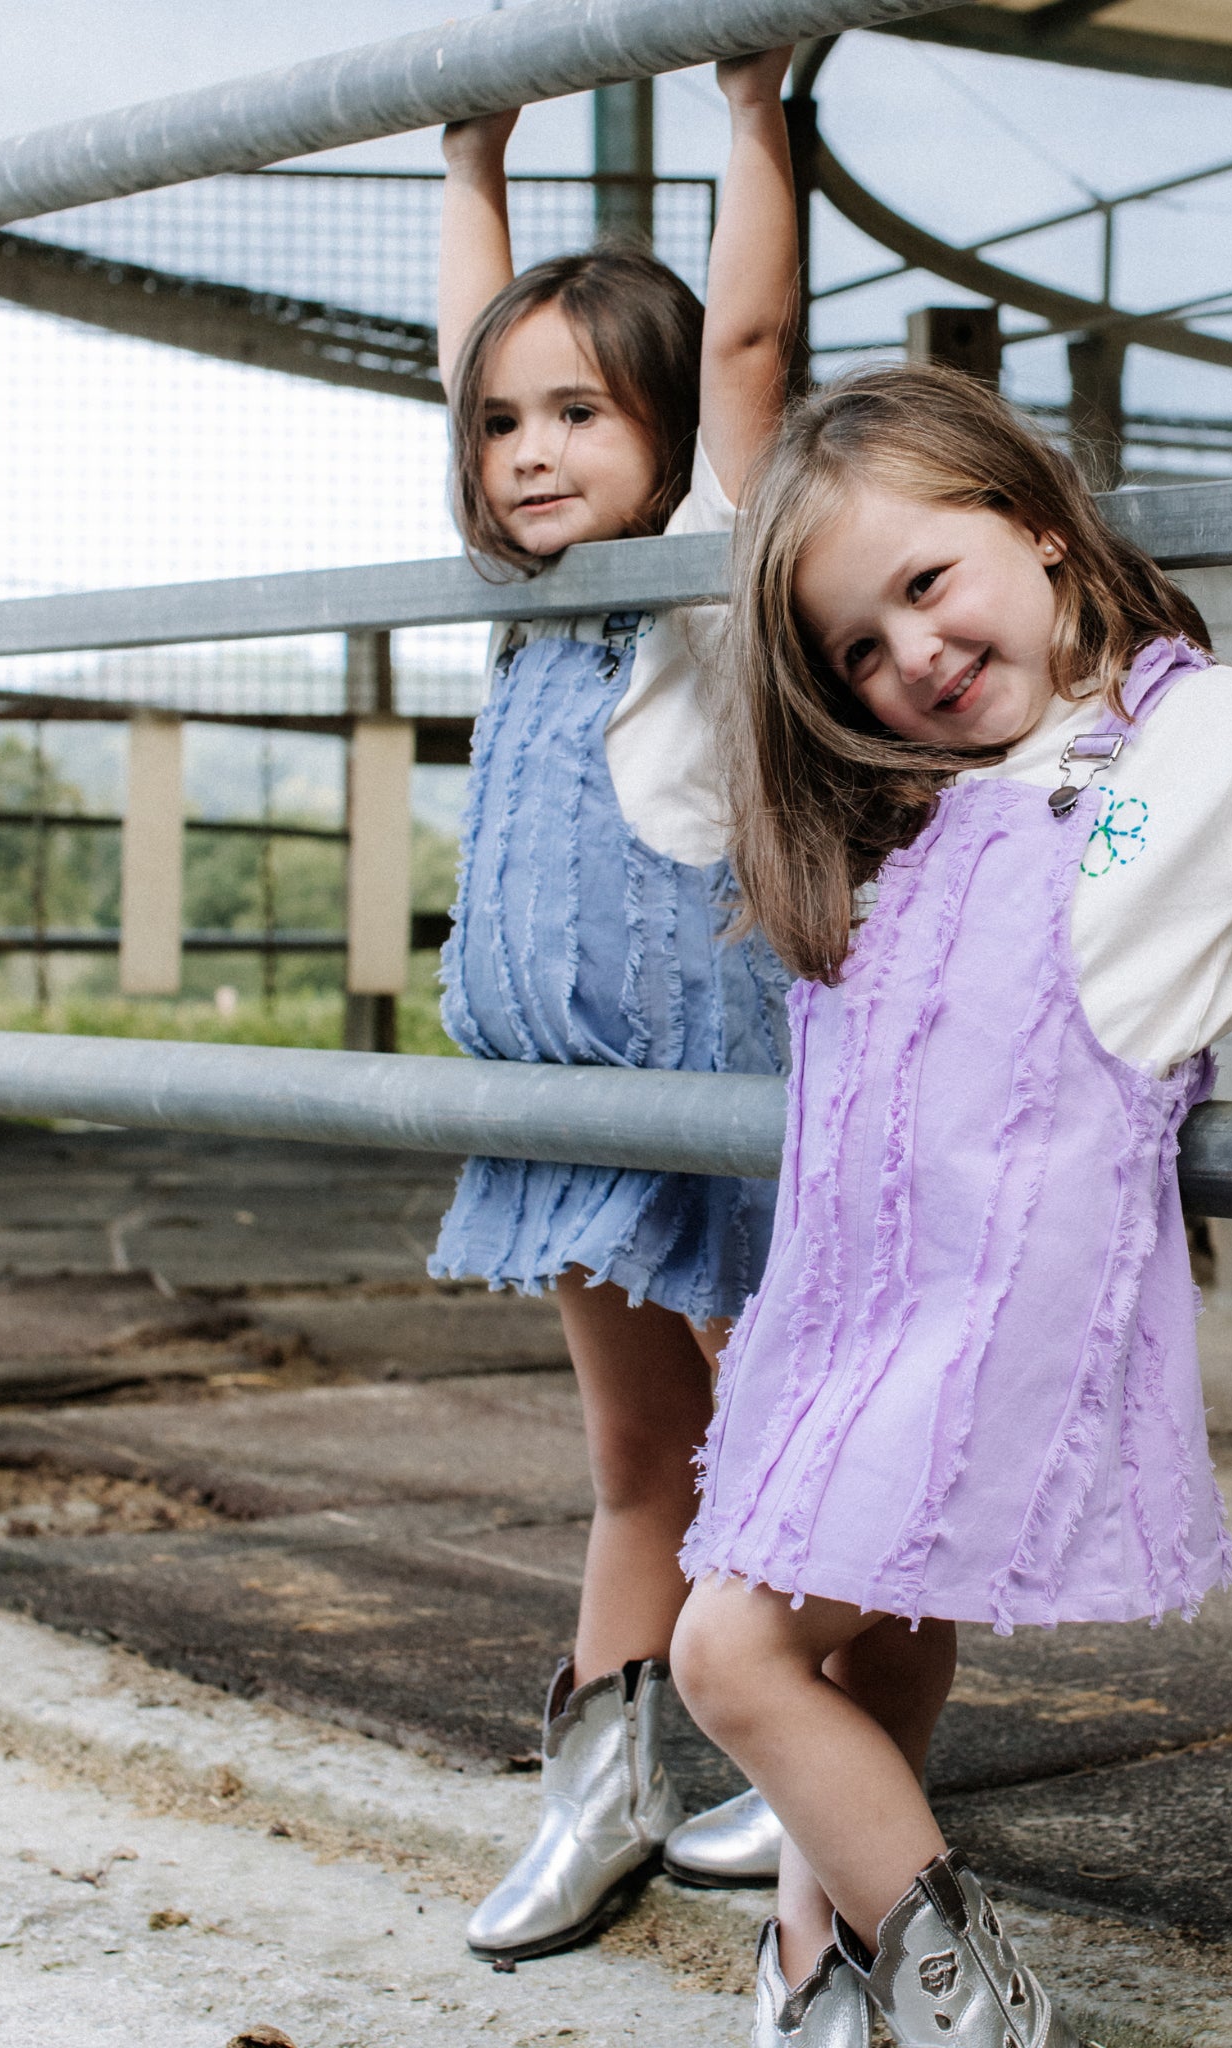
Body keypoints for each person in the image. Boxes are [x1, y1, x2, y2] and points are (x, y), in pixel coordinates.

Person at [669, 364, 1232, 2046]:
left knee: (728, 1656)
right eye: (858, 644)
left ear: (1050, 537)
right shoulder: (906, 802)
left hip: (996, 1316)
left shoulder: (1194, 741)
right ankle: (816, 1969)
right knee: (880, 1627)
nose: (908, 654)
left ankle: (967, 2002)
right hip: (848, 1310)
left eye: (927, 584)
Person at [429, 53, 795, 1966]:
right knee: (635, 1460)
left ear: (672, 436)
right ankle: (604, 1773)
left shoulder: (709, 586)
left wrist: (752, 117)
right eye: (507, 425)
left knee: (776, 1440)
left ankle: (801, 1744)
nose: (532, 448)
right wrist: (470, 150)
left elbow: (748, 340)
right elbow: (465, 348)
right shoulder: (522, 605)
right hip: (567, 1105)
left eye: (582, 410)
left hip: (708, 1096)